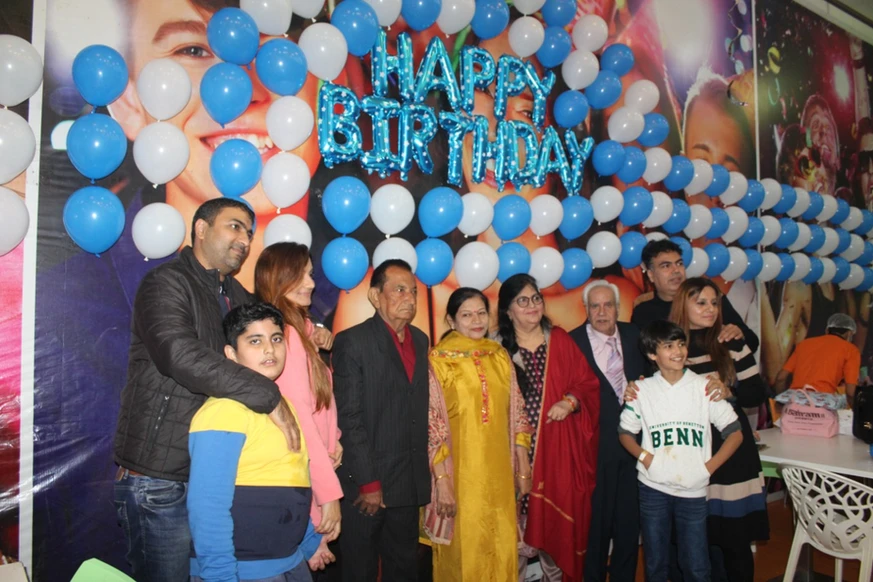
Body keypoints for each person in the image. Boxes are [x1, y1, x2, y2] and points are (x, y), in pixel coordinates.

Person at [113, 198, 300, 582]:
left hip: (215, 473)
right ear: (200, 228)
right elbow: (178, 354)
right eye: (234, 226)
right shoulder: (166, 283)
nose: (245, 239)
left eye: (249, 231)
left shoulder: (237, 296)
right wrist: (269, 397)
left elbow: (267, 341)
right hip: (160, 477)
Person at [188, 303, 332, 581]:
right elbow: (207, 508)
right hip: (242, 572)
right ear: (231, 354)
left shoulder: (284, 407)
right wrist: (220, 577)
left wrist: (309, 543)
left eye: (276, 338)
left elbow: (293, 483)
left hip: (289, 562)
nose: (270, 349)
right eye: (255, 341)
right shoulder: (222, 411)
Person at [491, 274, 600, 581]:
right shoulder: (495, 349)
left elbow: (587, 384)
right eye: (522, 300)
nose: (531, 306)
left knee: (555, 537)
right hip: (512, 456)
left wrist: (570, 401)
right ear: (508, 310)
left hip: (558, 454)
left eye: (536, 298)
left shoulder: (561, 340)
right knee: (514, 539)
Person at [619, 320, 743, 582]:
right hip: (653, 488)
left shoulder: (704, 387)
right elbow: (625, 433)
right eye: (668, 346)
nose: (678, 351)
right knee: (655, 564)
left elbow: (735, 433)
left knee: (697, 565)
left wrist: (707, 467)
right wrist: (647, 458)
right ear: (653, 354)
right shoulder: (642, 389)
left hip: (693, 489)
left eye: (681, 344)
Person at [425, 287, 533, 581]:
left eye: (482, 313)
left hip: (501, 475)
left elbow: (518, 411)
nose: (476, 320)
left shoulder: (498, 355)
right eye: (466, 314)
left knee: (501, 547)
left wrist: (523, 465)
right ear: (451, 320)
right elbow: (430, 424)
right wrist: (442, 481)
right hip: (460, 477)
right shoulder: (438, 360)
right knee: (465, 554)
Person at [331, 259, 431, 582]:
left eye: (413, 291)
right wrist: (369, 482)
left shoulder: (420, 339)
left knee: (403, 568)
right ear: (375, 297)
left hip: (407, 484)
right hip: (366, 487)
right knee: (359, 571)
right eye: (399, 290)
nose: (410, 299)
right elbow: (349, 417)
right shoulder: (352, 342)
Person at [667, 278, 769, 582]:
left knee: (736, 543)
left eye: (714, 303)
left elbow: (756, 393)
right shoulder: (669, 346)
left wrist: (729, 392)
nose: (710, 309)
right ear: (683, 305)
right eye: (701, 302)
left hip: (733, 452)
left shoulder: (730, 340)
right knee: (695, 544)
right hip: (690, 454)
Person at [255, 242, 344, 575]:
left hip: (311, 474)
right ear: (280, 278)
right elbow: (300, 423)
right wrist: (328, 497)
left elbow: (320, 408)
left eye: (310, 273)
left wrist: (334, 440)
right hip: (300, 485)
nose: (311, 283)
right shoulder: (286, 338)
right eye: (303, 275)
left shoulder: (300, 332)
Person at [569, 280, 647, 582]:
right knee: (596, 529)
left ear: (618, 307)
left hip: (634, 449)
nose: (602, 312)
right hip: (593, 452)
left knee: (629, 526)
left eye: (608, 305)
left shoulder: (635, 335)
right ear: (586, 310)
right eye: (595, 306)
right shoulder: (571, 342)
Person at [631, 239, 758, 352]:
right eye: (666, 266)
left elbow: (753, 342)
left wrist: (739, 334)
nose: (676, 270)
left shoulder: (711, 299)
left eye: (679, 263)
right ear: (651, 275)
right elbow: (641, 357)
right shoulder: (643, 312)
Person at [773, 313, 861, 402]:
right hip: (823, 404)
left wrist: (782, 401)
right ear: (849, 334)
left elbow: (781, 378)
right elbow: (850, 392)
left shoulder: (804, 344)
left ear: (827, 330)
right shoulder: (851, 350)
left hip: (795, 401)